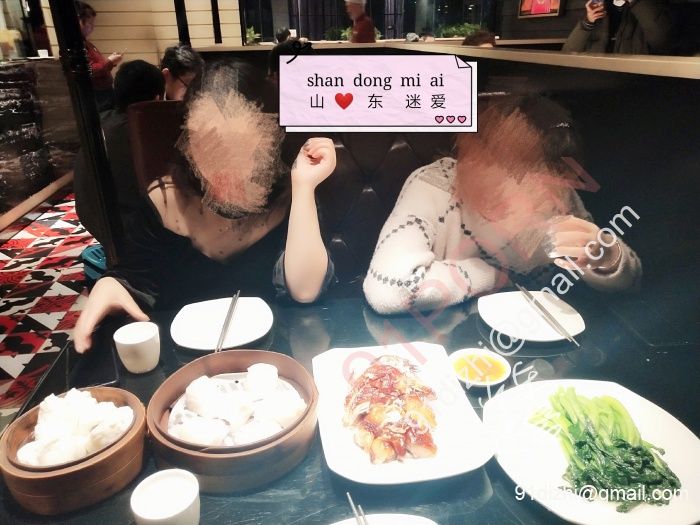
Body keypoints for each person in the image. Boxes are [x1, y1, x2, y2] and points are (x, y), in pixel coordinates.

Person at [73, 62, 336, 353]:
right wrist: (111, 285)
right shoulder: (166, 198)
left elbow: (305, 291)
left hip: (274, 354)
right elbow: (135, 275)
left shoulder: (290, 196)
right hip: (185, 359)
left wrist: (303, 187)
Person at [363, 95, 642, 314]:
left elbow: (630, 283)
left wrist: (606, 257)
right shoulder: (434, 184)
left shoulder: (556, 195)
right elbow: (390, 290)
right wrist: (496, 277)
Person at [74, 60, 165, 246]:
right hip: (127, 232)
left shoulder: (103, 120)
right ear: (157, 98)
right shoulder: (140, 131)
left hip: (95, 221)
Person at [562, 0, 671, 54]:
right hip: (597, 77)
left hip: (631, 79)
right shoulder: (598, 8)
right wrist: (588, 22)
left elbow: (663, 40)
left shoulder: (647, 6)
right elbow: (568, 51)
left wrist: (634, 2)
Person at [76, 1, 122, 110]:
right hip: (97, 94)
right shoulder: (77, 45)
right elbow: (89, 69)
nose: (92, 27)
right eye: (90, 23)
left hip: (103, 91)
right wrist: (109, 61)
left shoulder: (86, 43)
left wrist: (111, 62)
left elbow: (99, 66)